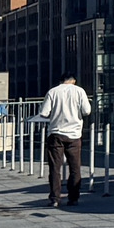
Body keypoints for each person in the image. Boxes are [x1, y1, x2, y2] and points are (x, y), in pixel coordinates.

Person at [40, 70, 93, 210]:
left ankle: (55, 198)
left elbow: (44, 113)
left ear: (61, 80)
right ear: (74, 80)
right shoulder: (79, 91)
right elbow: (87, 111)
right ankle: (73, 198)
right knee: (75, 168)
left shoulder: (53, 92)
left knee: (54, 168)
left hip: (56, 133)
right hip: (74, 134)